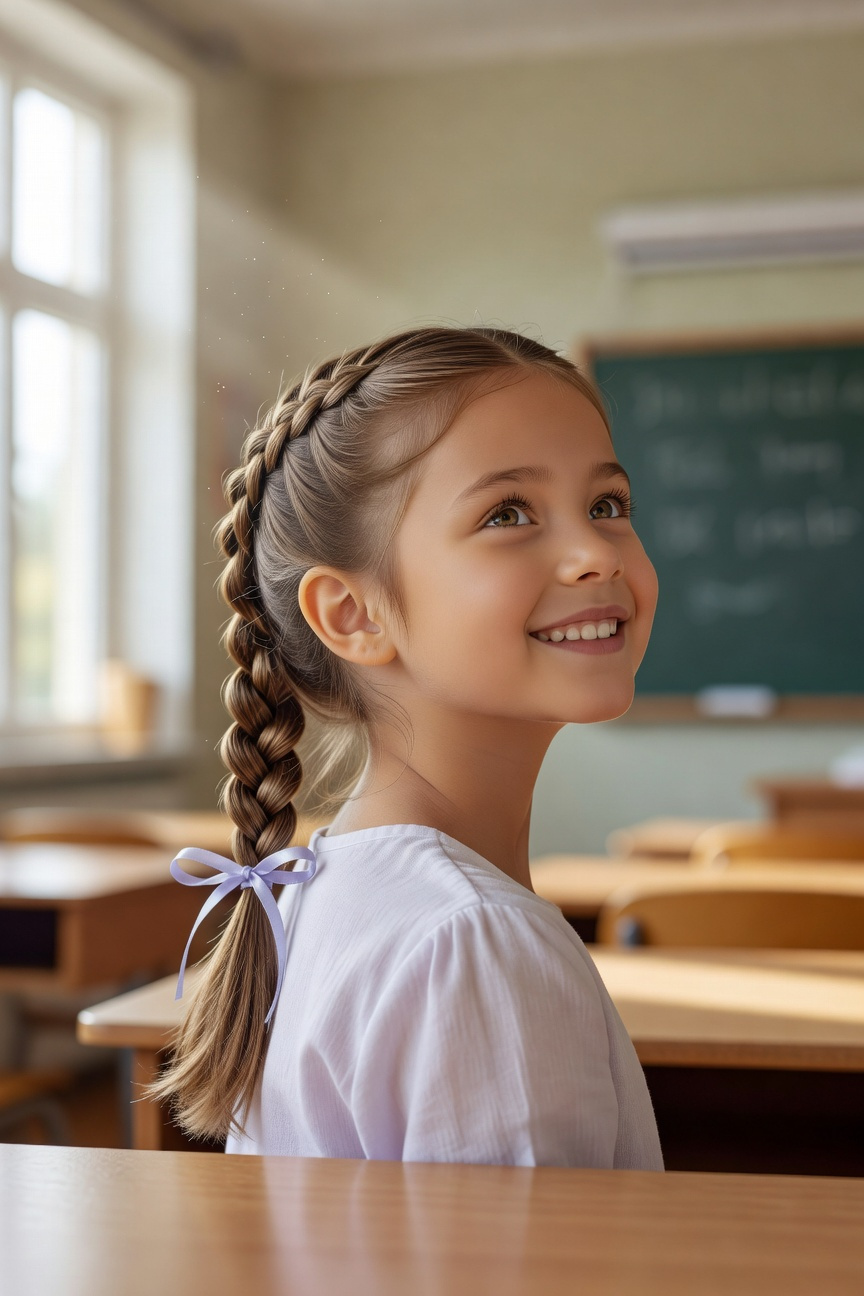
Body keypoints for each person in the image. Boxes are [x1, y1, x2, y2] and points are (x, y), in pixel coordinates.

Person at [152, 326, 663, 1169]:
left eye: (607, 505)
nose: (593, 554)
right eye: (508, 514)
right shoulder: (471, 940)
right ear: (353, 615)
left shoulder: (332, 881)